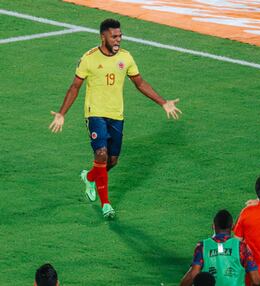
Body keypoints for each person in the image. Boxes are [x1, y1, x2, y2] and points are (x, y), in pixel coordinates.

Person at [49, 19, 181, 218]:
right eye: (114, 36)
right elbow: (75, 87)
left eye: (120, 36)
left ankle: (90, 177)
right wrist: (62, 113)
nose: (118, 40)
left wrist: (163, 102)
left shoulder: (126, 58)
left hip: (116, 115)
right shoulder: (89, 58)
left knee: (112, 160)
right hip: (95, 114)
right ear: (103, 36)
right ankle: (106, 205)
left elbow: (140, 82)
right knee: (101, 154)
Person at [180, 209, 260, 286]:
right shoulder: (242, 247)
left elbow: (192, 275)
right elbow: (256, 281)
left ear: (213, 226)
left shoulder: (202, 247)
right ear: (233, 227)